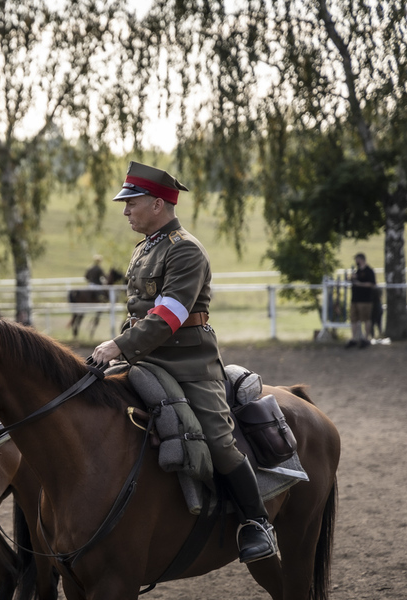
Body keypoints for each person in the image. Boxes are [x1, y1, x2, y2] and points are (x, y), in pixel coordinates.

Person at [90, 161, 277, 564]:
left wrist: (120, 345)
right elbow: (140, 312)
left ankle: (257, 522)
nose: (125, 211)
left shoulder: (185, 250)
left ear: (157, 204)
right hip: (144, 358)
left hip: (188, 363)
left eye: (131, 202)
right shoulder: (145, 248)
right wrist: (116, 350)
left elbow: (170, 315)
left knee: (217, 438)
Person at [347, 253, 376, 348]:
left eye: (357, 259)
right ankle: (354, 338)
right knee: (353, 319)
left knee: (366, 319)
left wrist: (360, 284)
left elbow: (372, 284)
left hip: (365, 300)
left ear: (361, 259)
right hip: (355, 299)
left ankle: (366, 339)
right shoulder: (357, 272)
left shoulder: (369, 271)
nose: (356, 262)